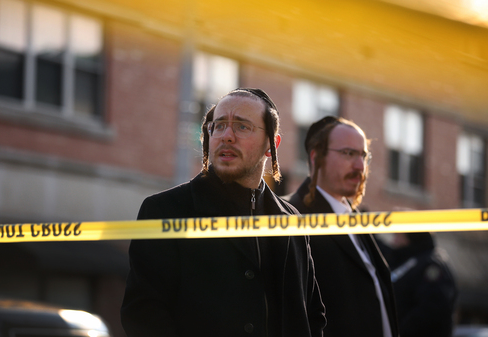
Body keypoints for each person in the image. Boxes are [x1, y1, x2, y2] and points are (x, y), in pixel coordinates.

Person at [121, 88, 326, 337]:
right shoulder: (166, 210)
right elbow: (143, 316)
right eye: (218, 126)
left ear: (272, 145)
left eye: (242, 127)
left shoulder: (292, 221)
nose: (226, 136)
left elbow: (313, 316)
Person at [288, 116, 399, 337]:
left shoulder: (355, 220)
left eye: (364, 156)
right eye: (348, 153)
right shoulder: (294, 220)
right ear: (316, 157)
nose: (360, 166)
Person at [380, 232, 458, 337]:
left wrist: (399, 331)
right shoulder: (406, 260)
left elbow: (432, 310)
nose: (393, 241)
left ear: (410, 238)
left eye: (398, 236)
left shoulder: (431, 264)